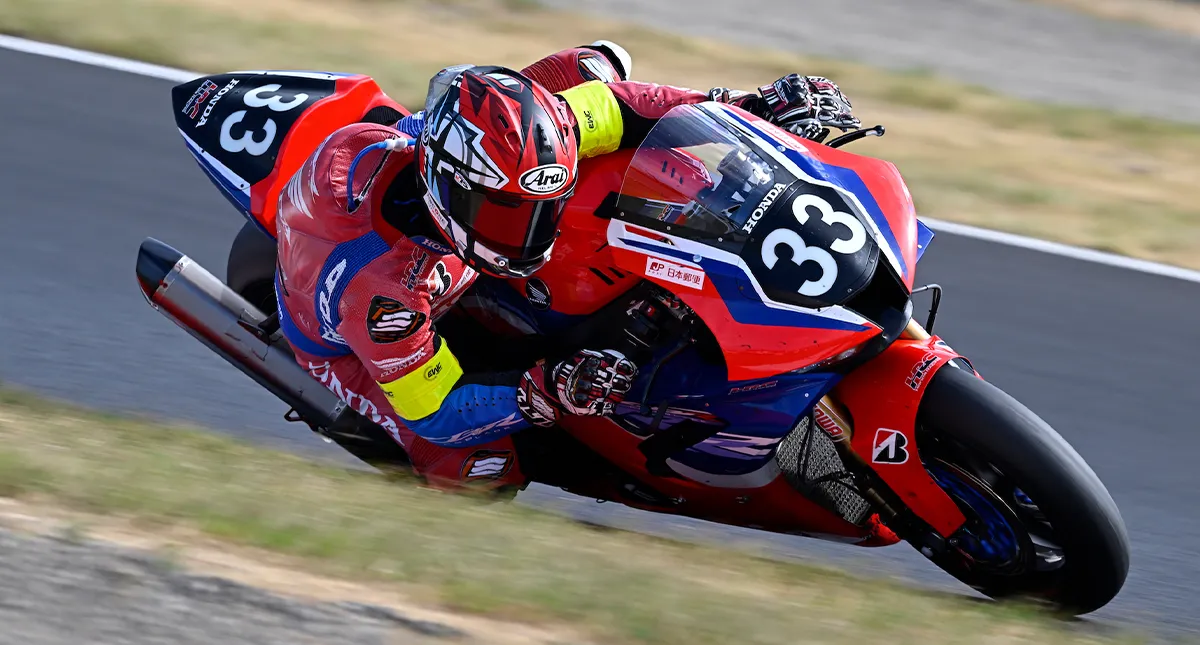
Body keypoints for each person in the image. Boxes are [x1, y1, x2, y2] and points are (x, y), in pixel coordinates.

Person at [273, 41, 861, 495]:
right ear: (448, 192)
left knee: (595, 69)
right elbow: (437, 411)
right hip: (342, 343)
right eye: (505, 215)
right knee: (477, 470)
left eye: (538, 209)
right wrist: (542, 392)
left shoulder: (537, 144)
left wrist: (748, 108)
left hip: (426, 181)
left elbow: (624, 106)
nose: (529, 234)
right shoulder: (383, 295)